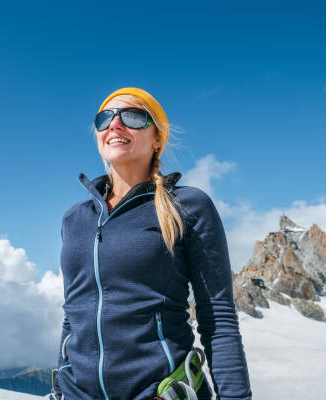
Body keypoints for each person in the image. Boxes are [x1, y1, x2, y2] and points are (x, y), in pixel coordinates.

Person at [48, 88, 252, 400]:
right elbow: (72, 315)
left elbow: (218, 317)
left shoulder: (188, 206)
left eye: (132, 116)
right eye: (104, 119)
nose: (115, 124)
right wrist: (61, 386)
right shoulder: (74, 219)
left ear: (157, 138)